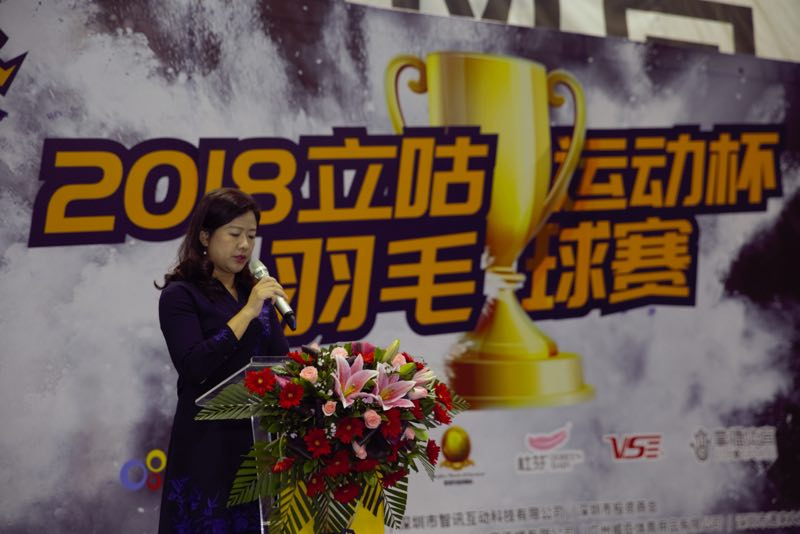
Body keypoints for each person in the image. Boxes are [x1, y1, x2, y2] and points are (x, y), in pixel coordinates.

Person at [156, 188, 290, 534]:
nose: (244, 245)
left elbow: (278, 362)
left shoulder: (254, 293)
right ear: (205, 237)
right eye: (234, 234)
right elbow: (194, 365)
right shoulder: (180, 295)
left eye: (251, 236)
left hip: (256, 446)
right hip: (207, 447)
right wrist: (247, 312)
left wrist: (306, 367)